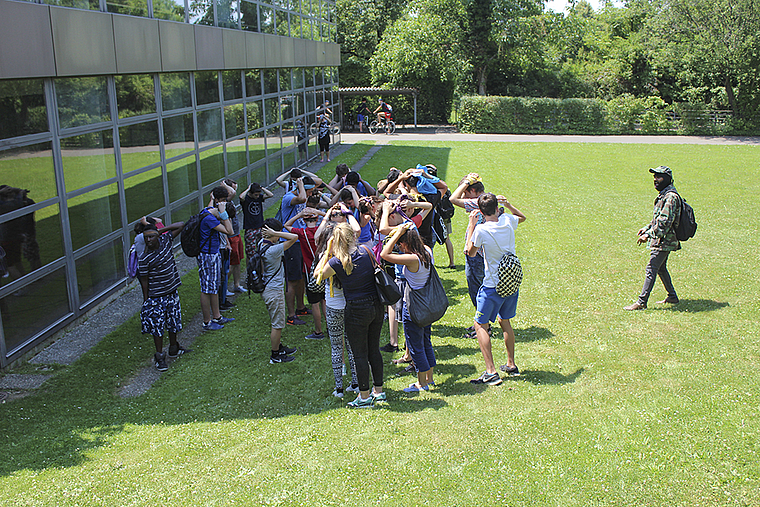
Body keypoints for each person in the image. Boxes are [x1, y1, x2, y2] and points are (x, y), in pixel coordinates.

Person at [315, 222, 385, 408]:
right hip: (376, 306)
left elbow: (318, 275)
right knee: (374, 350)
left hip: (356, 310)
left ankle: (364, 397)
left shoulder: (337, 261)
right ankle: (379, 391)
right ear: (353, 236)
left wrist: (328, 251)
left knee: (359, 353)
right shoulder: (366, 250)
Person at [465, 193, 526, 385]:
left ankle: (491, 371)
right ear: (497, 207)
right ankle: (511, 364)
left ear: (481, 212)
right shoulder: (507, 220)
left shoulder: (481, 229)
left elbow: (470, 252)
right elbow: (522, 217)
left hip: (492, 285)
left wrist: (471, 224)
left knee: (480, 325)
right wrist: (508, 205)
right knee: (505, 320)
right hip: (511, 281)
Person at [381, 224, 437, 393]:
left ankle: (421, 383)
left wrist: (396, 233)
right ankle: (430, 378)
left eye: (400, 244)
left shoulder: (412, 259)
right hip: (427, 305)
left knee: (415, 345)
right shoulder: (427, 251)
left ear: (406, 243)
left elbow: (384, 254)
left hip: (413, 307)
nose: (398, 247)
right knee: (426, 341)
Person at [624, 165, 682, 310]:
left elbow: (664, 223)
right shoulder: (664, 194)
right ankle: (672, 296)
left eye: (659, 177)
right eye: (654, 177)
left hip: (665, 240)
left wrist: (647, 235)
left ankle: (641, 302)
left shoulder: (670, 197)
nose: (655, 180)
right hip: (661, 239)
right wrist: (646, 228)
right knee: (661, 268)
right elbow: (657, 219)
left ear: (667, 179)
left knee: (652, 268)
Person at [138, 221, 188, 371]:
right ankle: (159, 356)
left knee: (173, 322)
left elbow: (181, 225)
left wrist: (160, 230)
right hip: (156, 297)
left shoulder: (166, 241)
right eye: (146, 238)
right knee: (157, 328)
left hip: (171, 291)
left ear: (158, 236)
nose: (149, 241)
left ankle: (174, 347)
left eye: (152, 237)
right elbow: (144, 282)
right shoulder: (144, 258)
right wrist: (146, 301)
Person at [317, 222, 359, 398]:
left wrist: (326, 252)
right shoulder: (355, 255)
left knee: (336, 346)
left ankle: (339, 388)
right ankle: (356, 383)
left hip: (334, 306)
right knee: (352, 346)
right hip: (350, 305)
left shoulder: (330, 258)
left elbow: (317, 276)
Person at [279, 174, 321, 326]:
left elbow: (318, 181)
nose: (310, 195)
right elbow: (302, 198)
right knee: (293, 280)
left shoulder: (304, 193)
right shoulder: (288, 197)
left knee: (302, 276)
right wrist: (300, 185)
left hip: (300, 240)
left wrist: (303, 179)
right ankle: (291, 315)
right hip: (290, 243)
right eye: (309, 191)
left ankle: (301, 307)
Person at [450, 173, 487, 338]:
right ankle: (479, 323)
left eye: (466, 192)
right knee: (479, 290)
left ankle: (483, 327)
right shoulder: (489, 201)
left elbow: (453, 199)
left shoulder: (478, 202)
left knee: (477, 291)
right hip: (483, 254)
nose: (464, 196)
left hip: (476, 255)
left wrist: (465, 182)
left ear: (472, 191)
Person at [258, 219, 300, 364]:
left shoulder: (261, 244)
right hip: (274, 291)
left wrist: (272, 234)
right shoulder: (273, 250)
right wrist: (275, 233)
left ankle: (279, 347)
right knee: (277, 325)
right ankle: (275, 355)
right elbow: (294, 237)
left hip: (268, 288)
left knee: (277, 322)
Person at [284, 206, 327, 340]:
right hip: (324, 269)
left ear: (304, 220)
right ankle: (331, 328)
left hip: (310, 271)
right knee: (324, 300)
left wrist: (299, 215)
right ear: (317, 219)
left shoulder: (302, 233)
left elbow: (286, 225)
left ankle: (318, 331)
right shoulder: (323, 231)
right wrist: (320, 212)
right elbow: (331, 219)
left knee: (314, 303)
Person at [198, 186, 236, 331]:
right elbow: (230, 231)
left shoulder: (207, 211)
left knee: (213, 287)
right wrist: (224, 214)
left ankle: (217, 316)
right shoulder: (210, 219)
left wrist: (214, 201)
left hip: (212, 254)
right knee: (207, 289)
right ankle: (207, 322)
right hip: (208, 256)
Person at [240, 182, 274, 261]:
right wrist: (248, 188)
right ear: (250, 193)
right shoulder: (246, 199)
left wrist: (262, 188)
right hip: (250, 228)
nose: (257, 196)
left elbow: (270, 195)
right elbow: (241, 197)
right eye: (255, 195)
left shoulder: (259, 197)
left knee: (262, 249)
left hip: (260, 226)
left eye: (258, 194)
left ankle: (260, 269)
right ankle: (250, 270)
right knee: (250, 252)